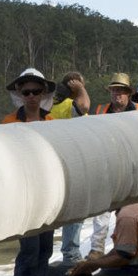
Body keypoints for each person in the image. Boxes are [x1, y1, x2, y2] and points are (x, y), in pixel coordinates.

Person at [1, 68, 65, 276]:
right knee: (29, 250)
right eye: (26, 91)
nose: (31, 96)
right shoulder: (8, 124)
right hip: (25, 194)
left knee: (45, 247)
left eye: (36, 91)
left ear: (43, 94)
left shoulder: (51, 123)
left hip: (47, 193)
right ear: (19, 94)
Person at [88, 72, 138, 257]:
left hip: (132, 168)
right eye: (114, 90)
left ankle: (128, 247)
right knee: (102, 211)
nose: (117, 94)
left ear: (128, 93)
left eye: (121, 91)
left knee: (129, 212)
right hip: (108, 166)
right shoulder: (101, 110)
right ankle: (96, 250)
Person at [49, 71, 91, 263]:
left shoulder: (49, 106)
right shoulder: (69, 107)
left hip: (54, 165)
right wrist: (80, 89)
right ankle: (71, 254)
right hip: (70, 165)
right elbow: (84, 106)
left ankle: (51, 256)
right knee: (75, 213)